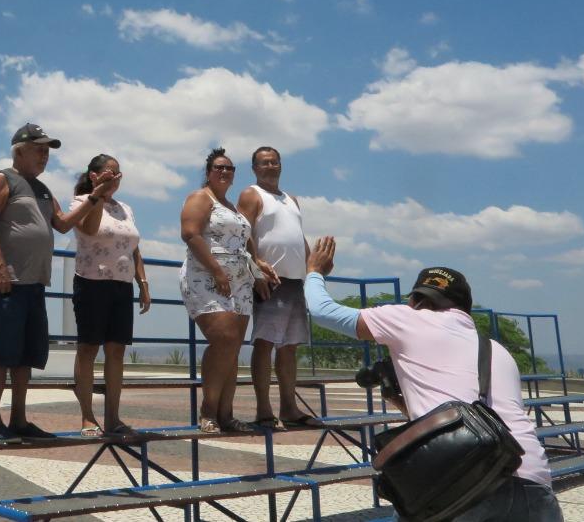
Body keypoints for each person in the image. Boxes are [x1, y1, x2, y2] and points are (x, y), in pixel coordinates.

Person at [304, 239, 562, 522]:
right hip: (533, 486)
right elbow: (477, 418)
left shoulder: (410, 318)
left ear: (415, 301)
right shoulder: (495, 350)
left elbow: (322, 311)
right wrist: (405, 404)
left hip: (464, 487)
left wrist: (315, 271)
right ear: (465, 308)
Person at [0, 123, 119, 441]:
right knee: (3, 354)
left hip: (35, 283)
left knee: (27, 355)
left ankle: (18, 419)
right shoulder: (4, 179)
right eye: (39, 149)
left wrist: (95, 197)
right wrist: (0, 267)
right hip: (9, 282)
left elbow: (64, 224)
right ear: (20, 150)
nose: (44, 155)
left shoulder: (43, 189)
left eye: (47, 150)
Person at [179, 148, 279, 434]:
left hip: (240, 282)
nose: (224, 172)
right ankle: (208, 410)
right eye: (219, 168)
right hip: (207, 277)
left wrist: (257, 266)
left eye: (230, 168)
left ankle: (226, 414)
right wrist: (217, 271)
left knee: (233, 346)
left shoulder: (232, 206)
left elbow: (243, 242)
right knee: (223, 339)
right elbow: (190, 234)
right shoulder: (201, 198)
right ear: (208, 172)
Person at [69, 154, 152, 438]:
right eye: (107, 173)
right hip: (91, 282)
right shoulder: (81, 202)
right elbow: (90, 229)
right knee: (89, 349)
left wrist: (142, 281)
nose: (113, 178)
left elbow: (133, 246)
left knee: (116, 350)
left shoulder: (125, 208)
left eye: (117, 174)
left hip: (121, 284)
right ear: (93, 175)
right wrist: (98, 195)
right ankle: (87, 417)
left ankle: (113, 417)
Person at [238, 146, 317, 429]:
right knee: (265, 342)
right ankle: (263, 409)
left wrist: (313, 269)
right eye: (265, 163)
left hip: (295, 280)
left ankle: (289, 407)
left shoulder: (291, 199)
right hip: (269, 279)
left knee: (290, 346)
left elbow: (298, 236)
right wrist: (256, 266)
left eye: (275, 162)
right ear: (255, 168)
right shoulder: (251, 194)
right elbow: (242, 232)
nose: (271, 166)